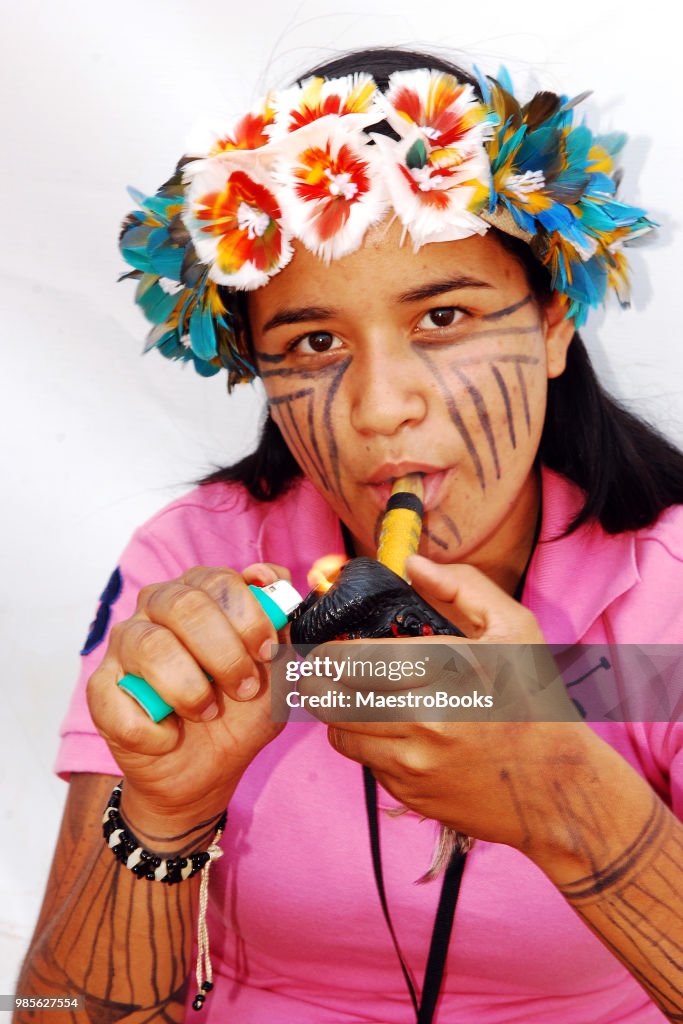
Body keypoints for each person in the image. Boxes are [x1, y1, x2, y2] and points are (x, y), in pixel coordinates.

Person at [15, 46, 683, 1024]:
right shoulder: (192, 566)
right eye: (313, 343)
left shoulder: (662, 593)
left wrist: (566, 797)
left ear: (550, 324)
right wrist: (159, 822)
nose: (378, 408)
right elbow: (49, 1011)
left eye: (443, 315)